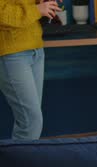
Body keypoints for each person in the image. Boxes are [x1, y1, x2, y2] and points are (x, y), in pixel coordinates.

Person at [0, 0, 61, 139]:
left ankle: (21, 159)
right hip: (11, 52)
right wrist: (37, 10)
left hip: (36, 49)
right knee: (30, 122)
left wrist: (45, 3)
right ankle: (19, 161)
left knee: (29, 121)